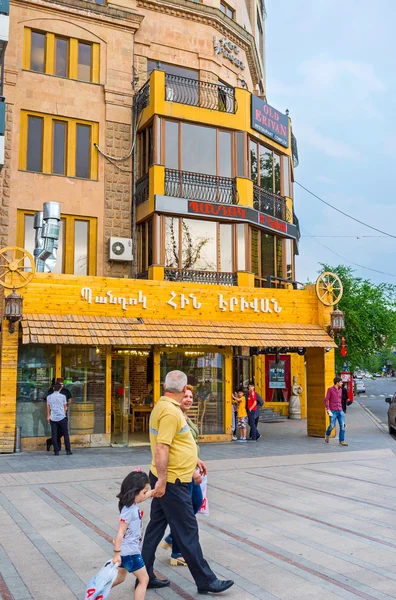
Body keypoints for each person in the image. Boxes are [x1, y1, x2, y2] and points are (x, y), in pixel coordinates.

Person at [141, 370, 234, 594]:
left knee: (156, 527)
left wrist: (194, 458)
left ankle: (143, 576)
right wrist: (162, 482)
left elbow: (176, 443)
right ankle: (205, 581)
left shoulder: (161, 406)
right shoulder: (171, 413)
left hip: (168, 476)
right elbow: (162, 448)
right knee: (188, 530)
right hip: (172, 481)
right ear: (184, 390)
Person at [161, 384, 204, 566]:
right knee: (184, 513)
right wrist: (193, 470)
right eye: (185, 396)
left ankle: (173, 539)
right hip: (182, 473)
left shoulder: (184, 416)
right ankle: (177, 551)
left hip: (189, 467)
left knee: (193, 506)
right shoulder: (174, 417)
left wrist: (197, 460)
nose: (188, 400)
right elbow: (170, 448)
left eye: (191, 397)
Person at [111, 470, 152, 600]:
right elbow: (120, 532)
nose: (145, 495)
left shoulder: (130, 505)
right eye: (144, 492)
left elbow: (143, 496)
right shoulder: (129, 511)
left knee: (120, 578)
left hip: (125, 551)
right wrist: (117, 553)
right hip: (130, 553)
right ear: (134, 491)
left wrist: (153, 492)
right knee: (144, 579)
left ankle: (96, 592)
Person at [45, 378, 73, 452]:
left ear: (54, 388)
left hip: (53, 417)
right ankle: (68, 450)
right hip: (62, 417)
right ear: (60, 388)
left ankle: (56, 450)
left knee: (54, 434)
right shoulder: (63, 396)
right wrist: (64, 413)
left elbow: (48, 407)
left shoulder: (49, 397)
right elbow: (65, 406)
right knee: (65, 434)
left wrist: (48, 416)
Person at [325, 377, 348, 447]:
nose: (342, 383)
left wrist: (343, 410)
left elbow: (341, 400)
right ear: (337, 383)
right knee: (332, 426)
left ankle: (341, 441)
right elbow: (326, 400)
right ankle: (327, 434)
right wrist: (328, 409)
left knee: (343, 426)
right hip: (333, 411)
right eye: (341, 382)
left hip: (340, 410)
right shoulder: (330, 390)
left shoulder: (341, 390)